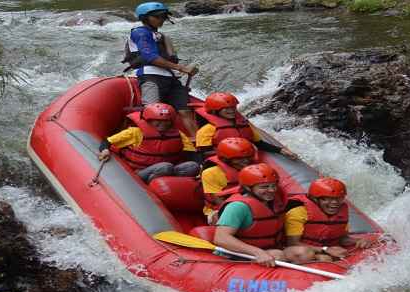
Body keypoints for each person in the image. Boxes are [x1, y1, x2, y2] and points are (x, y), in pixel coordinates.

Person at [213, 163, 311, 267]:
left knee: (305, 253)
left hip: (270, 249)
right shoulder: (237, 206)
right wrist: (258, 252)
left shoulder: (275, 201)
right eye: (264, 187)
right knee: (278, 255)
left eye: (274, 185)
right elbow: (221, 238)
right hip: (239, 253)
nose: (272, 190)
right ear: (248, 188)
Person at [125, 2, 199, 135]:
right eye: (158, 16)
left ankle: (201, 145)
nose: (162, 19)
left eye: (164, 16)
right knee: (153, 112)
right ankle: (151, 142)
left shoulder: (162, 37)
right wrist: (181, 68)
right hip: (150, 77)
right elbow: (150, 57)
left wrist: (182, 69)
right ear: (145, 18)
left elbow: (171, 58)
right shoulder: (140, 33)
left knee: (185, 111)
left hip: (170, 78)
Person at [98, 102, 199, 183]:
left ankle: (172, 184)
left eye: (166, 121)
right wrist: (105, 150)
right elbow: (107, 141)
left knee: (193, 166)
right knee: (165, 167)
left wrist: (201, 166)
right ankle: (150, 186)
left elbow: (191, 152)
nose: (163, 124)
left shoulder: (178, 134)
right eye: (158, 121)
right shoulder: (135, 132)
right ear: (148, 120)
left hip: (169, 169)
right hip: (140, 171)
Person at [284, 177, 373, 263]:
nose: (335, 203)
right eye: (328, 198)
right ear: (315, 199)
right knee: (320, 258)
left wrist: (358, 241)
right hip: (301, 250)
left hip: (327, 248)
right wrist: (326, 250)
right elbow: (293, 243)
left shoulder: (341, 211)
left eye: (338, 198)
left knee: (369, 249)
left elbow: (342, 239)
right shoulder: (298, 212)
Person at [195, 92, 297, 159]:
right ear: (215, 111)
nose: (231, 111)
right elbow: (204, 153)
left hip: (245, 158)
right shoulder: (206, 130)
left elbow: (259, 143)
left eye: (233, 108)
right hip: (226, 160)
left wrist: (281, 150)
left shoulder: (244, 124)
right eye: (226, 109)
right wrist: (232, 155)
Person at [201, 137, 256, 224]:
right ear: (226, 159)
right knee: (218, 218)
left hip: (249, 203)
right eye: (239, 159)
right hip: (220, 207)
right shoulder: (210, 173)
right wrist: (240, 212)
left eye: (248, 157)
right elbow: (217, 200)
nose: (246, 161)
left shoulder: (254, 169)